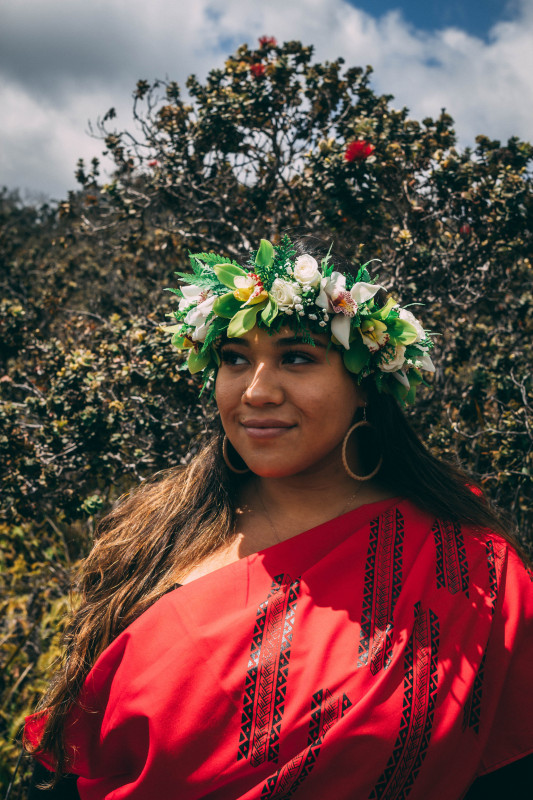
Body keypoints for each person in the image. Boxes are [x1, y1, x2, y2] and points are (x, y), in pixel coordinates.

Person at [23, 235, 533, 799]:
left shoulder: (466, 569)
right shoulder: (150, 535)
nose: (257, 391)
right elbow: (71, 763)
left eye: (297, 357)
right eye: (235, 359)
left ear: (365, 384)